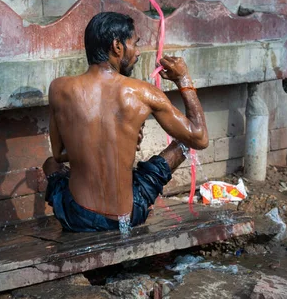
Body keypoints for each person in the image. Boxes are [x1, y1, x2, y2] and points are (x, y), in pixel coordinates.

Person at [43, 12, 208, 232]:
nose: (138, 52)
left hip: (77, 216)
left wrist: (98, 143)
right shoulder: (143, 93)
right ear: (117, 46)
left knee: (50, 165)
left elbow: (59, 155)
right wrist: (183, 79)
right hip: (128, 216)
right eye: (135, 44)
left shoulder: (58, 88)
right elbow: (200, 137)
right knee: (184, 142)